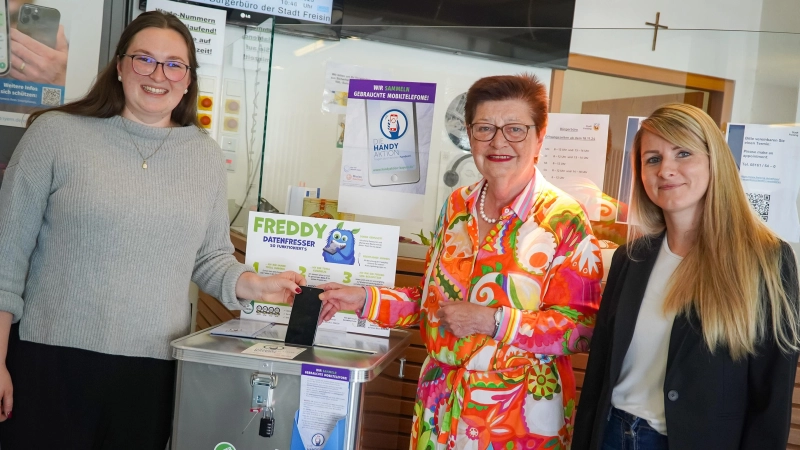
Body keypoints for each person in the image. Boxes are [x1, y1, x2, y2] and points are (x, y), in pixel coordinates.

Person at [0, 11, 304, 449]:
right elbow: (6, 256)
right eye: (144, 59)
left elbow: (209, 258)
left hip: (152, 371)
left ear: (188, 79)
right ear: (120, 66)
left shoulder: (203, 156)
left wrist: (258, 285)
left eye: (174, 64)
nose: (158, 74)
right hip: (49, 362)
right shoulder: (56, 134)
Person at [319, 74, 603, 449]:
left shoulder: (565, 218)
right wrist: (365, 300)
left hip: (518, 418)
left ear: (540, 135)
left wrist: (492, 321)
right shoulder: (457, 205)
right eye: (485, 128)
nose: (499, 142)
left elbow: (582, 329)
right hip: (440, 407)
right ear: (470, 135)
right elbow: (434, 304)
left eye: (515, 129)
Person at [572, 103, 800, 450]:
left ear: (714, 162)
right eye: (653, 159)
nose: (666, 170)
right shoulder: (630, 258)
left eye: (683, 153)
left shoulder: (766, 260)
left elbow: (772, 397)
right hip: (613, 435)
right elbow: (599, 375)